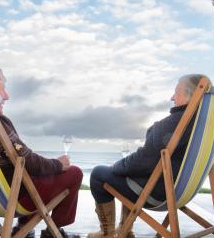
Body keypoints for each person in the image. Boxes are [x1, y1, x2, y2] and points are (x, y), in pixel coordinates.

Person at [0, 64, 83, 238]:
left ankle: (22, 229)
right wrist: (58, 164)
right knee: (73, 173)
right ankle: (53, 230)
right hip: (13, 199)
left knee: (31, 177)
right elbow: (30, 162)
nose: (6, 97)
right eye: (1, 91)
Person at [86, 74, 206, 238]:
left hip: (158, 193)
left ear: (189, 95)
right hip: (182, 192)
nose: (172, 97)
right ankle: (125, 231)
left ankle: (107, 233)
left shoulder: (173, 124)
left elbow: (142, 162)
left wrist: (116, 166)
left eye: (176, 92)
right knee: (128, 171)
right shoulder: (204, 125)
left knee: (98, 173)